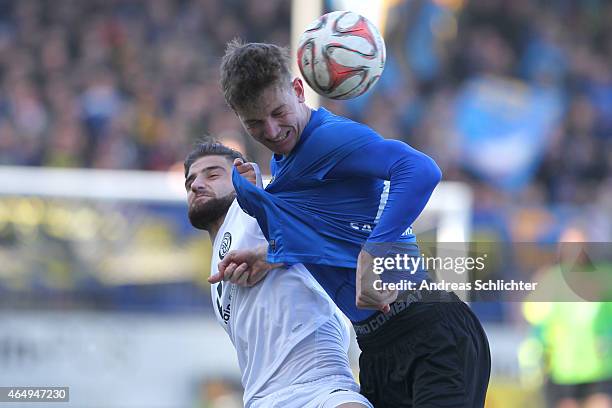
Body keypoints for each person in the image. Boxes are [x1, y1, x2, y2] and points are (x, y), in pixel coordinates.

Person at [213, 40, 491, 407]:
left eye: (278, 112)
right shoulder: (286, 163)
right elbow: (335, 229)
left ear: (298, 91)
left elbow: (420, 169)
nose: (272, 129)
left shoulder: (329, 138)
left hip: (430, 329)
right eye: (255, 123)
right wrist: (273, 254)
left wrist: (373, 253)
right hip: (376, 350)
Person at [184, 140, 373, 408]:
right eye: (189, 181)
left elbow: (341, 235)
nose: (196, 184)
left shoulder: (259, 208)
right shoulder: (217, 266)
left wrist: (270, 254)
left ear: (243, 174)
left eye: (212, 174)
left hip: (321, 383)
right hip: (263, 398)